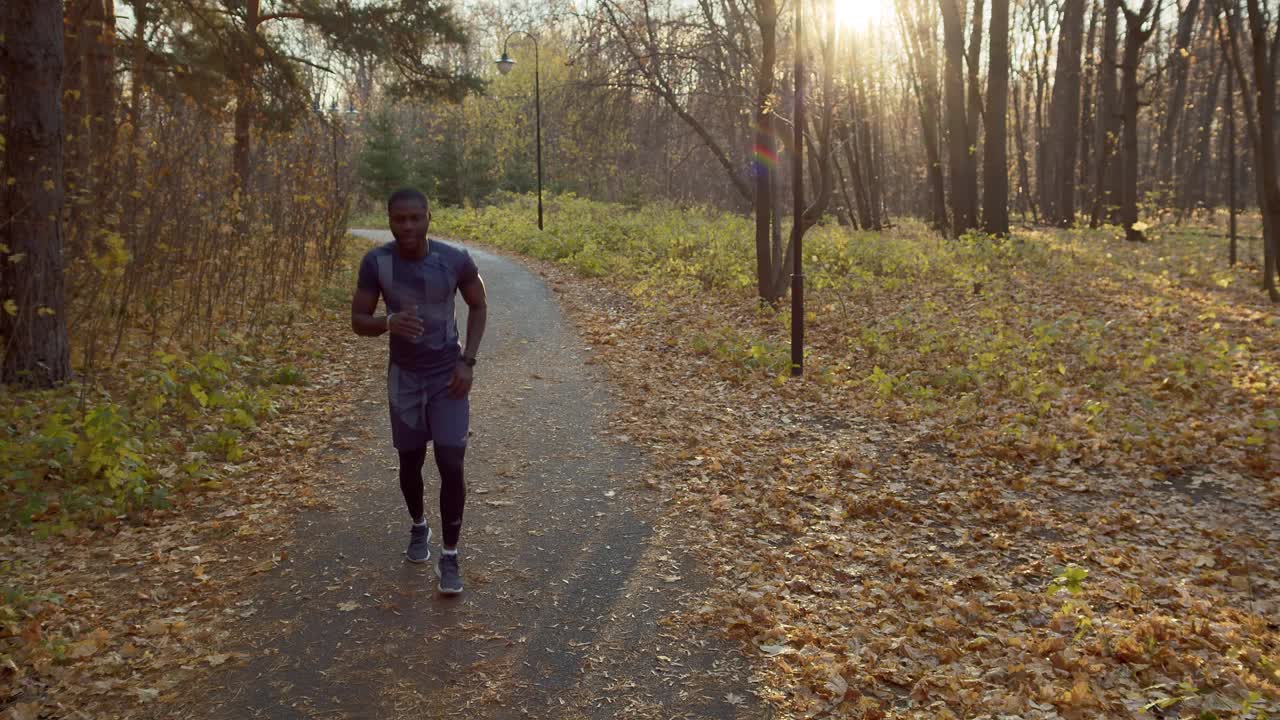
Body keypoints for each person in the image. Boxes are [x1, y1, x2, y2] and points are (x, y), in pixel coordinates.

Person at [351, 187, 487, 595]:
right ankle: (418, 526)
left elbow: (479, 305)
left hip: (448, 377)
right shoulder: (377, 263)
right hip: (404, 379)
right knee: (409, 462)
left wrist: (468, 362)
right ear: (389, 220)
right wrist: (388, 322)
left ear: (429, 216)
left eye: (415, 218)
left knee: (451, 459)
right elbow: (358, 319)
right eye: (399, 219)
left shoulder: (454, 260)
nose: (407, 226)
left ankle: (450, 556)